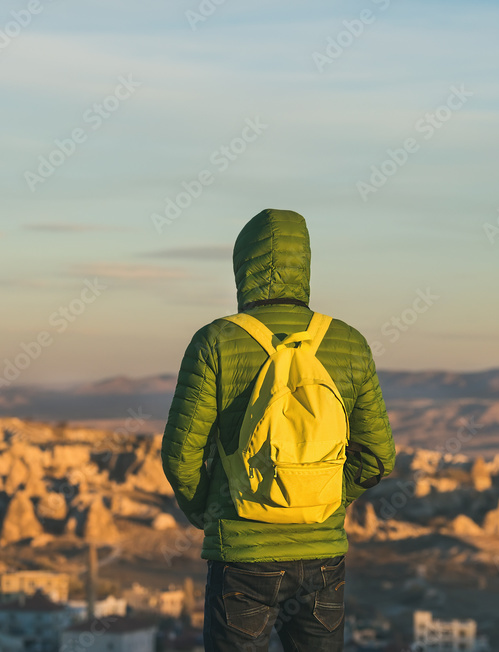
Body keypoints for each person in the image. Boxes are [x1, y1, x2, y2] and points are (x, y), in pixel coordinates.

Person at [161, 208, 396, 652]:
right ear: (304, 265)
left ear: (242, 267)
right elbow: (379, 454)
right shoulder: (348, 343)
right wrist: (322, 498)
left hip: (241, 555)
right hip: (322, 556)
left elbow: (180, 455)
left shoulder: (215, 341)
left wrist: (207, 514)